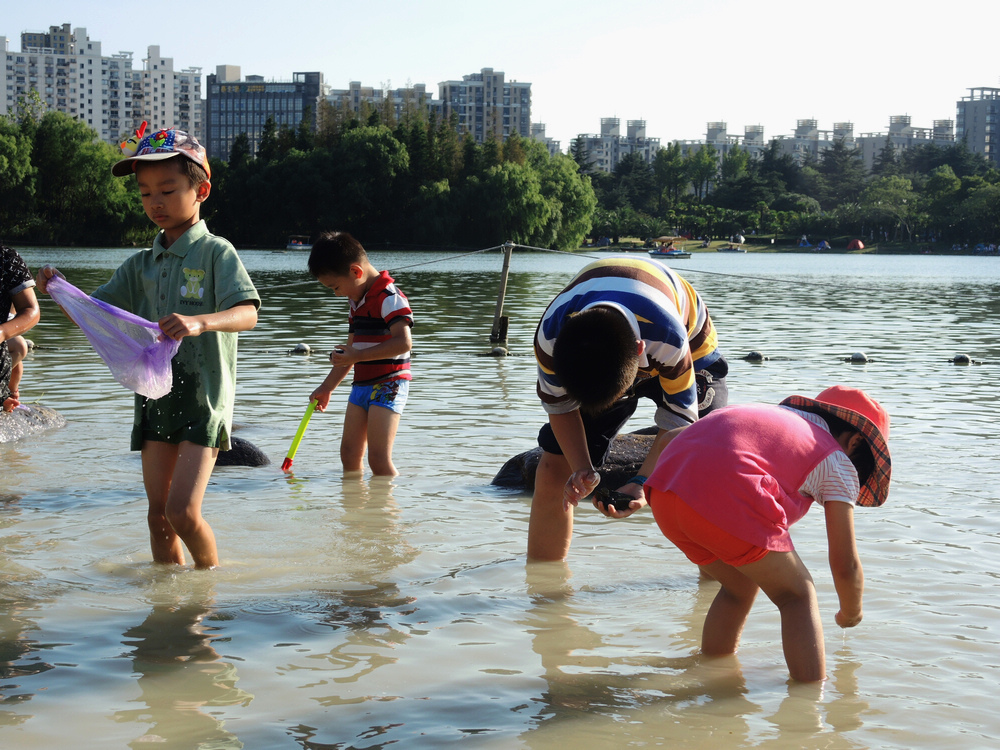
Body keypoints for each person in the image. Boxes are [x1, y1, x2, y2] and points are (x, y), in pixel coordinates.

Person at [35, 128, 260, 569]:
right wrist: (58, 292)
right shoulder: (140, 264)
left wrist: (200, 322)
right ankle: (168, 608)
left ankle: (207, 589)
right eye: (145, 193)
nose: (155, 202)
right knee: (158, 517)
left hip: (205, 401)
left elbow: (248, 312)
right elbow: (95, 316)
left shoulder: (217, 253)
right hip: (156, 400)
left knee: (182, 512)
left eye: (168, 190)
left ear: (202, 190)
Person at [644, 386, 891, 682]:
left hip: (666, 492)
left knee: (739, 587)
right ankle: (808, 705)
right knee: (797, 595)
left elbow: (673, 437)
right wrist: (851, 612)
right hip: (729, 495)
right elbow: (845, 565)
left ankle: (711, 670)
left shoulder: (770, 415)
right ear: (854, 442)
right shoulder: (838, 461)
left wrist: (638, 482)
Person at [528, 256, 729, 561]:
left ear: (639, 352)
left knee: (703, 461)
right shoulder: (551, 338)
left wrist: (641, 483)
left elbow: (679, 425)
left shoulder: (668, 337)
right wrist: (583, 470)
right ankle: (544, 590)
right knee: (554, 466)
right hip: (607, 347)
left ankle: (721, 587)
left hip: (691, 345)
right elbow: (560, 409)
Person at [308, 231, 413, 477]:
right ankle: (356, 512)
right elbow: (350, 351)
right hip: (361, 385)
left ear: (356, 272)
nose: (336, 293)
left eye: (335, 287)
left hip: (389, 383)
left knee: (378, 459)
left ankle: (386, 512)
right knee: (349, 454)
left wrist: (356, 356)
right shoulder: (356, 302)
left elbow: (403, 342)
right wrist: (327, 387)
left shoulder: (389, 297)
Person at [1, 244, 41, 412]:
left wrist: (2, 332)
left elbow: (31, 310)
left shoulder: (7, 258)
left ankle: (8, 394)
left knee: (19, 346)